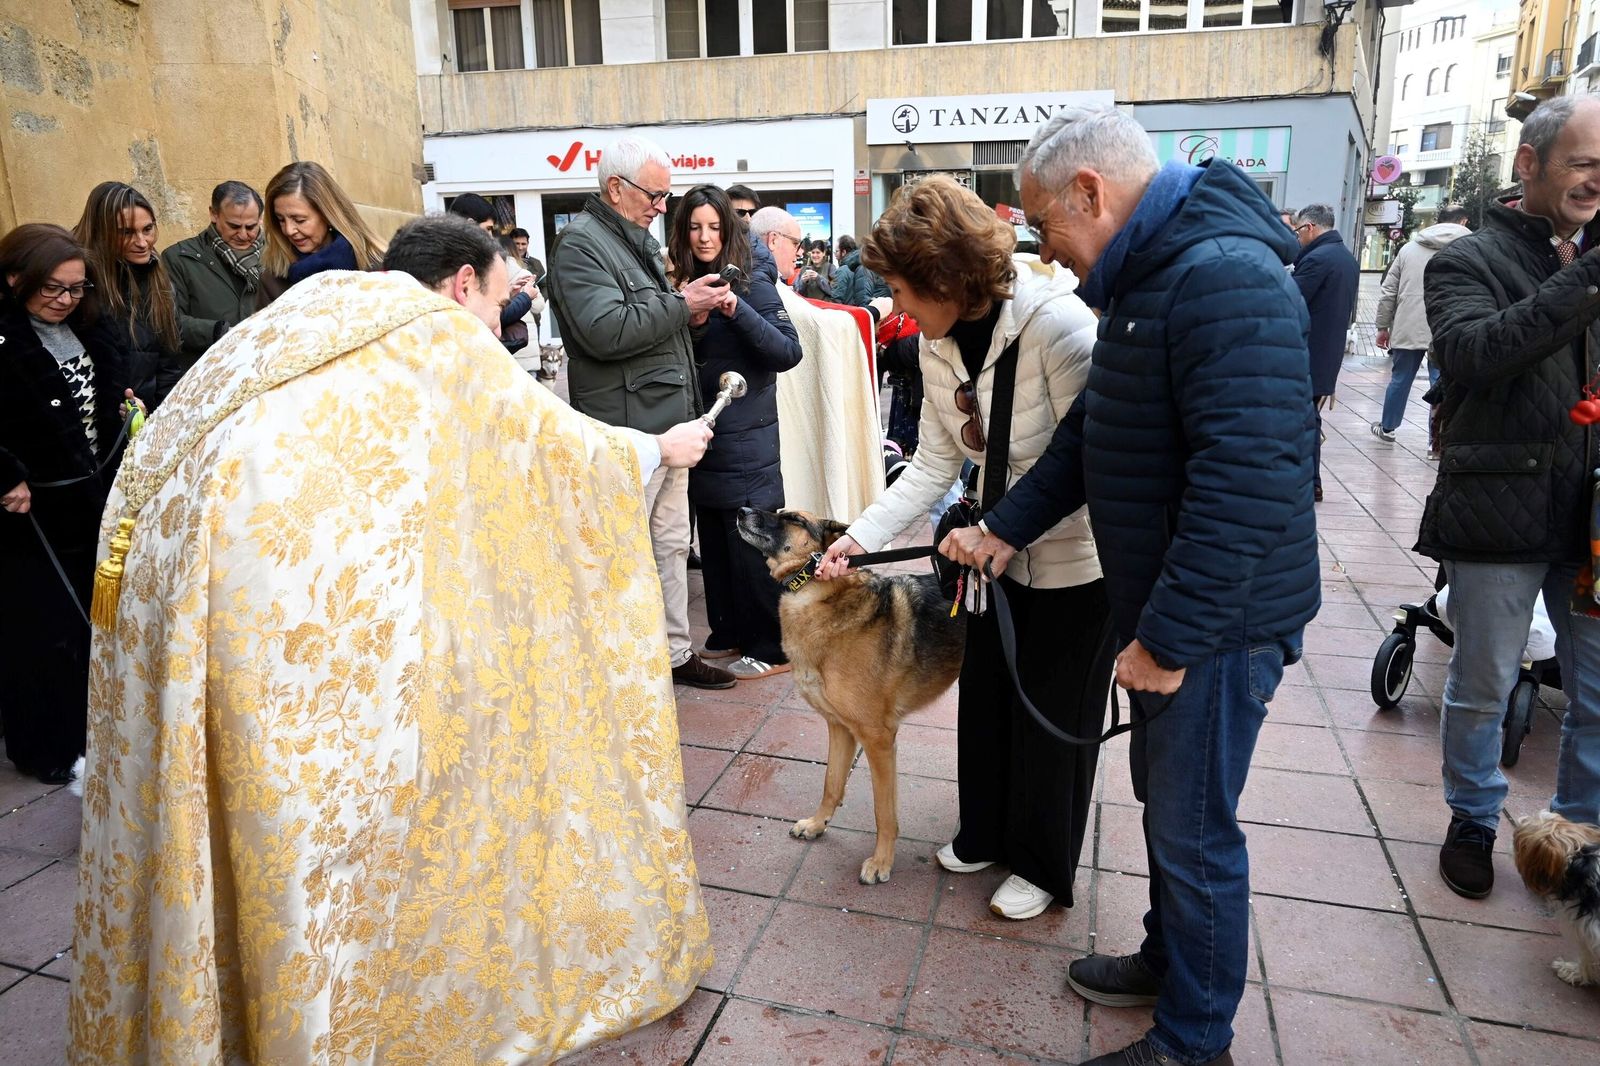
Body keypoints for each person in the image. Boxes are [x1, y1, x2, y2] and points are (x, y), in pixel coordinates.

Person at [69, 213, 714, 1062]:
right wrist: (658, 447)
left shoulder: (306, 316)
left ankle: (232, 1003)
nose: (495, 325)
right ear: (459, 284)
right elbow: (554, 451)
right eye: (495, 300)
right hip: (312, 606)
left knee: (267, 812)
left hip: (215, 583)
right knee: (355, 812)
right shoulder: (440, 335)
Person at [963, 105, 1316, 1066]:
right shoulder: (1153, 276)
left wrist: (1166, 640)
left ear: (1093, 192)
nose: (1044, 245)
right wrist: (1004, 529)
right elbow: (1096, 437)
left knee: (1196, 832)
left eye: (1046, 223)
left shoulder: (1220, 278)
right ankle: (1172, 960)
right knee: (1173, 812)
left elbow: (1249, 481)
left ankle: (1195, 1043)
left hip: (1214, 622)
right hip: (1178, 610)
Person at [816, 175, 1108, 923]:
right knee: (987, 700)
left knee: (1051, 714)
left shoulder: (1060, 327)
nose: (899, 308)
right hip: (987, 550)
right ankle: (986, 831)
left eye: (906, 291)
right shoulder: (937, 345)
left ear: (947, 277)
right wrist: (860, 535)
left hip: (1074, 559)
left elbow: (1089, 458)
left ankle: (1042, 864)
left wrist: (1007, 530)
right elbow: (932, 464)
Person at [1422, 95, 1600, 899]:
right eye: (1584, 163)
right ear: (1529, 164)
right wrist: (1587, 277)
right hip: (1500, 507)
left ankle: (1575, 840)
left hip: (1591, 517)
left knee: (1595, 691)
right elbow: (1474, 353)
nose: (1596, 183)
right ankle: (1474, 817)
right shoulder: (1466, 259)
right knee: (1485, 682)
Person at [545, 134, 738, 690]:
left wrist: (688, 311)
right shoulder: (581, 245)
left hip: (667, 421)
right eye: (655, 195)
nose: (662, 206)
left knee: (672, 545)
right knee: (625, 554)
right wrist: (683, 305)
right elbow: (606, 331)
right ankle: (628, 662)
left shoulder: (631, 240)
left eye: (665, 195)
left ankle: (675, 655)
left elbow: (646, 320)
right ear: (615, 188)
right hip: (629, 427)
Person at [0, 224, 143, 784]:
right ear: (16, 280)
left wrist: (119, 409)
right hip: (29, 511)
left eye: (76, 288)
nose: (65, 300)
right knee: (42, 631)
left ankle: (96, 736)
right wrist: (5, 475)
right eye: (52, 288)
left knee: (92, 621)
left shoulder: (90, 326)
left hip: (90, 497)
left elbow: (98, 395)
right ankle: (44, 746)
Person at [667, 185, 802, 680]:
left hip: (747, 438)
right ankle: (728, 632)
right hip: (705, 434)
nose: (705, 237)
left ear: (730, 229)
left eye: (715, 227)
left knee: (750, 546)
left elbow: (788, 352)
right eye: (695, 227)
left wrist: (734, 309)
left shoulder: (754, 279)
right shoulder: (683, 278)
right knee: (720, 546)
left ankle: (773, 646)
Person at [1371, 204, 1471, 454]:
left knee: (1401, 378)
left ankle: (1388, 427)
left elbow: (1388, 292)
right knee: (1441, 381)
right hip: (1449, 325)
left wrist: (1383, 326)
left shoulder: (1409, 248)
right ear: (1464, 222)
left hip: (1409, 322)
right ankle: (1435, 442)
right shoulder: (1474, 247)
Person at [72, 181, 179, 406]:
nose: (142, 243)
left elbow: (168, 365)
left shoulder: (160, 280)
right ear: (101, 233)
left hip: (146, 419)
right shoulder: (79, 284)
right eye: (126, 232)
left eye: (147, 229)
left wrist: (159, 418)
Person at [1290, 203, 1358, 503]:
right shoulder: (1344, 257)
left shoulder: (1318, 259)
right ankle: (1311, 480)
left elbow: (1289, 300)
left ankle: (1309, 481)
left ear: (1310, 228)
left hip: (1307, 354)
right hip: (1326, 354)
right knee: (1309, 420)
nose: (1297, 239)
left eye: (1297, 232)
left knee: (1304, 422)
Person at [163, 180, 265, 364]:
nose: (243, 235)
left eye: (251, 227)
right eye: (234, 226)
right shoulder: (179, 258)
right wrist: (220, 332)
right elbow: (171, 323)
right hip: (212, 372)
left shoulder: (277, 253)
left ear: (260, 219)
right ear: (214, 214)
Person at [259, 161, 386, 306]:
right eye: (281, 220)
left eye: (299, 220)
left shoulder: (375, 265)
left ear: (328, 215)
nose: (288, 230)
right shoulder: (272, 278)